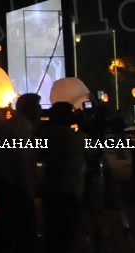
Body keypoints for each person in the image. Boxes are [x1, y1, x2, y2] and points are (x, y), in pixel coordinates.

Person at [0, 93, 41, 253]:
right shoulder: (22, 128)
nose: (40, 110)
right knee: (21, 233)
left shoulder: (7, 125)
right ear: (30, 109)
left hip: (2, 182)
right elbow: (23, 160)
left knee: (6, 230)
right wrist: (29, 190)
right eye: (37, 107)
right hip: (14, 186)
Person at [40, 102, 85, 253]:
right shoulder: (73, 137)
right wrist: (84, 123)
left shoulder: (47, 134)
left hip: (50, 190)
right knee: (68, 235)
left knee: (52, 232)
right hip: (69, 191)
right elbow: (93, 148)